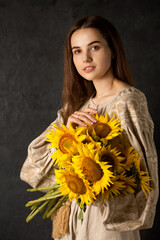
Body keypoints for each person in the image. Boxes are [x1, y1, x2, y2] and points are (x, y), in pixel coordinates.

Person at [20, 16, 159, 240]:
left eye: (94, 47)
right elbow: (33, 164)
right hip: (72, 219)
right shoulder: (75, 105)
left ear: (112, 50)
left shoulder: (128, 101)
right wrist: (66, 134)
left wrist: (97, 171)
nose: (86, 58)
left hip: (106, 223)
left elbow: (142, 177)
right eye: (77, 51)